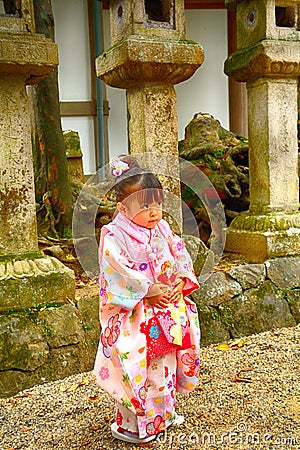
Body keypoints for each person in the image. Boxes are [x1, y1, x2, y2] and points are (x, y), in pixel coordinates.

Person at [94, 155, 200, 444]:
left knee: (165, 361)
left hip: (166, 308)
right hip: (137, 312)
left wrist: (180, 280)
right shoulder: (113, 235)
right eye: (144, 206)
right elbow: (116, 270)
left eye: (157, 204)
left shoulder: (162, 229)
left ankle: (163, 415)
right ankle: (135, 425)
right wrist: (147, 288)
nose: (154, 212)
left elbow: (179, 254)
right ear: (122, 208)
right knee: (139, 363)